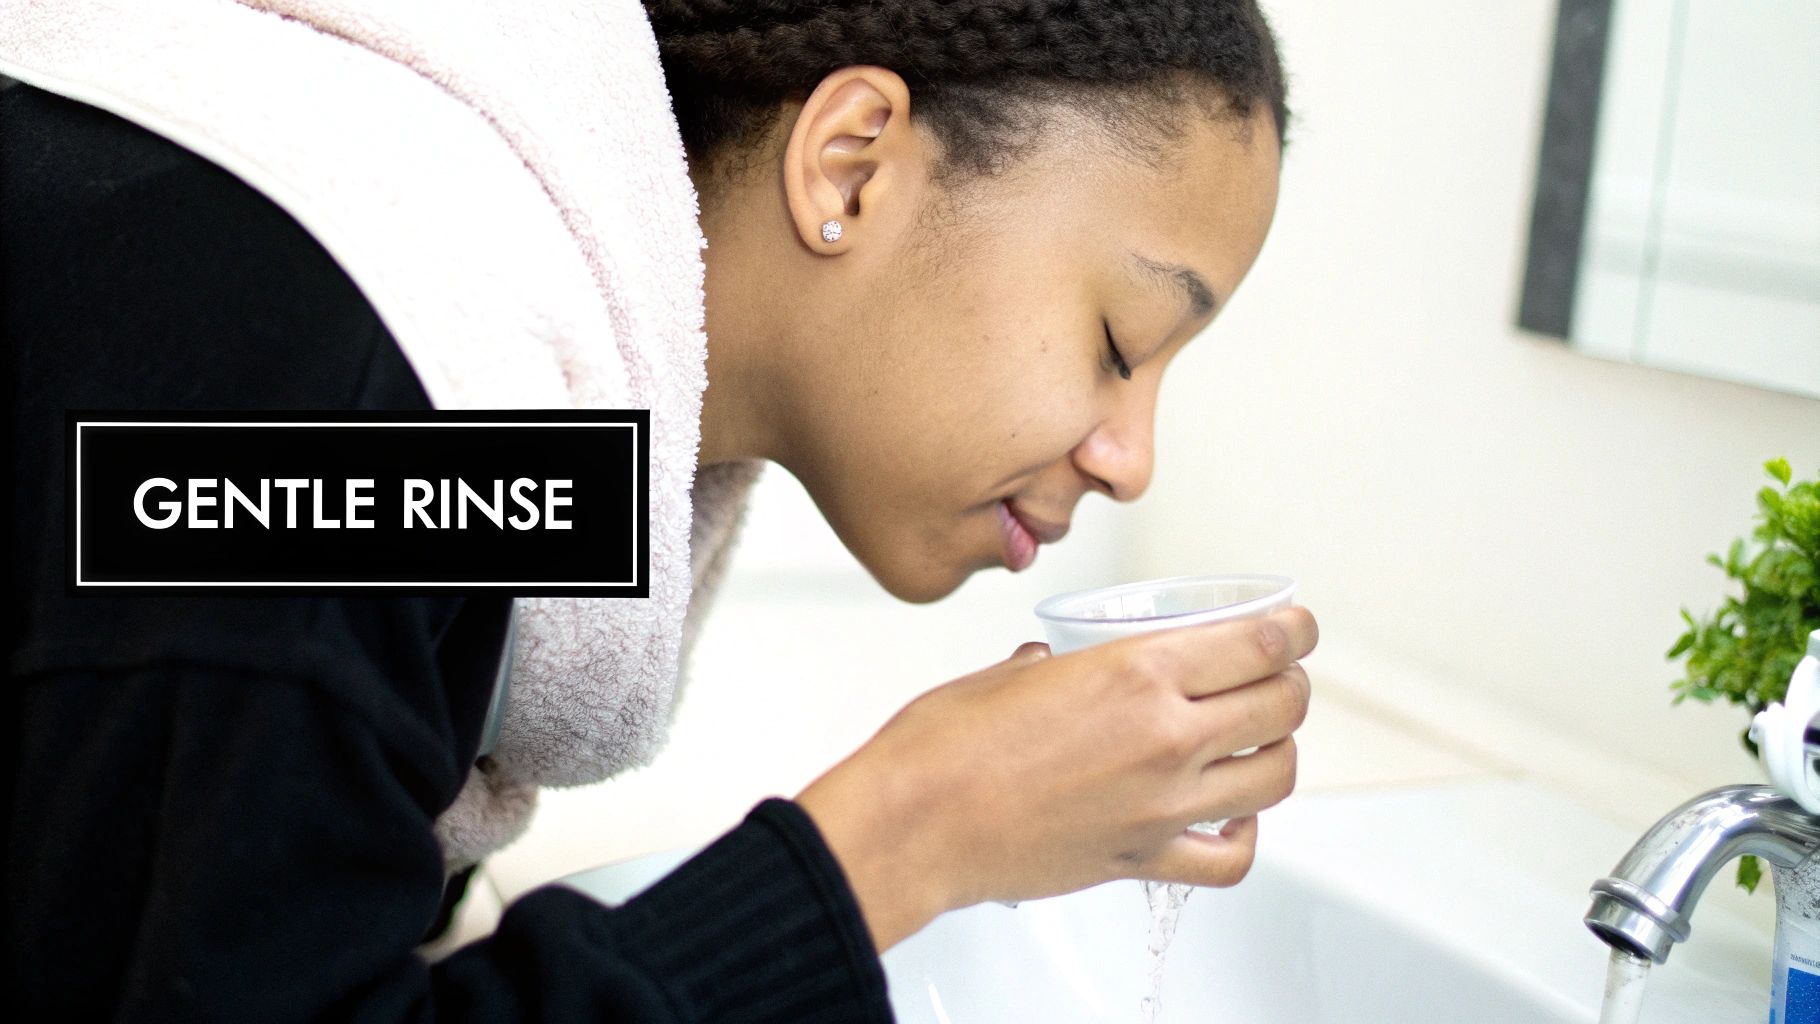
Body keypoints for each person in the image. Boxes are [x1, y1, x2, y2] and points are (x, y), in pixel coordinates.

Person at [4, 0, 1318, 1019]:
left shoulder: (496, 409)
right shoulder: (360, 381)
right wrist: (908, 832)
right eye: (1118, 338)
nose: (1130, 456)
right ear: (852, 167)